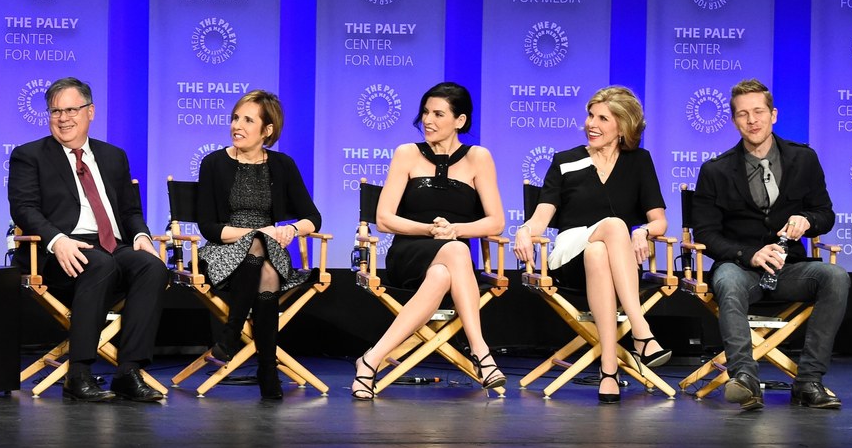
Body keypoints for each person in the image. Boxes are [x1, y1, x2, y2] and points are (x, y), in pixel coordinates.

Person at [8, 77, 169, 403]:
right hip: (57, 252)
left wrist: (141, 236)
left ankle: (129, 371)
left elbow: (130, 210)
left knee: (152, 267)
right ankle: (78, 374)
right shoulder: (29, 156)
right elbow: (24, 210)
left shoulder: (113, 157)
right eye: (55, 111)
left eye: (70, 110)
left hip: (112, 245)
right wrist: (58, 240)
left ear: (90, 111)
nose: (63, 118)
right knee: (99, 264)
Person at [693, 78, 849, 411]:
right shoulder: (715, 171)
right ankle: (745, 379)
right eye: (743, 114)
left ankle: (809, 382)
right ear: (734, 120)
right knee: (726, 281)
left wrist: (808, 220)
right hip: (740, 268)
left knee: (836, 277)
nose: (752, 120)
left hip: (789, 268)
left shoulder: (803, 159)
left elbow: (826, 214)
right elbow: (706, 233)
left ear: (773, 115)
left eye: (759, 112)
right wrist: (748, 254)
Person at [512, 85, 672, 404]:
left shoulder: (639, 161)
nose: (591, 124)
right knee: (614, 225)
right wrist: (523, 229)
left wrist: (643, 232)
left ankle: (609, 371)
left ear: (623, 126)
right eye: (590, 115)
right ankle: (641, 329)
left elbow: (659, 220)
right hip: (570, 258)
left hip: (616, 262)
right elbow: (541, 218)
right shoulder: (565, 161)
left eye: (602, 118)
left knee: (601, 249)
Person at [351, 81, 507, 400]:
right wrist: (431, 230)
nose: (428, 120)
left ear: (459, 121)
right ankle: (480, 350)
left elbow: (497, 221)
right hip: (409, 253)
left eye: (438, 113)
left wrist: (455, 230)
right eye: (425, 112)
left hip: (453, 261)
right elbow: (384, 219)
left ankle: (371, 360)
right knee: (454, 252)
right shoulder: (407, 154)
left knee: (444, 268)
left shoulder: (479, 158)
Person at [196, 89, 322, 400]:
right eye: (235, 118)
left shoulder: (282, 165)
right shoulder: (213, 163)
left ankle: (234, 340)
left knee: (265, 262)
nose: (237, 125)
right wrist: (255, 232)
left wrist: (290, 229)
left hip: (269, 251)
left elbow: (313, 218)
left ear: (267, 130)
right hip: (221, 251)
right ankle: (266, 367)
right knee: (258, 248)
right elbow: (208, 227)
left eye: (247, 120)